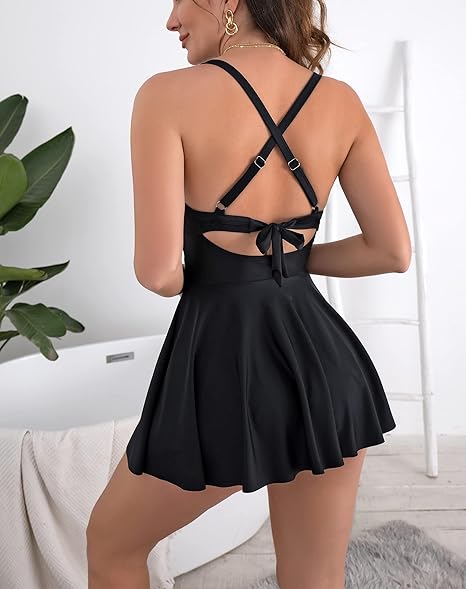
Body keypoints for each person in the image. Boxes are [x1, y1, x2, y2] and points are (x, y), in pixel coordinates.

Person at [86, 1, 411, 588]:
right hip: (327, 371)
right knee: (314, 576)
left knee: (111, 545)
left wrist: (216, 269)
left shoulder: (165, 96)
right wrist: (292, 260)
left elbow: (158, 274)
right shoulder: (339, 101)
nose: (170, 19)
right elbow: (391, 251)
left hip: (227, 367)